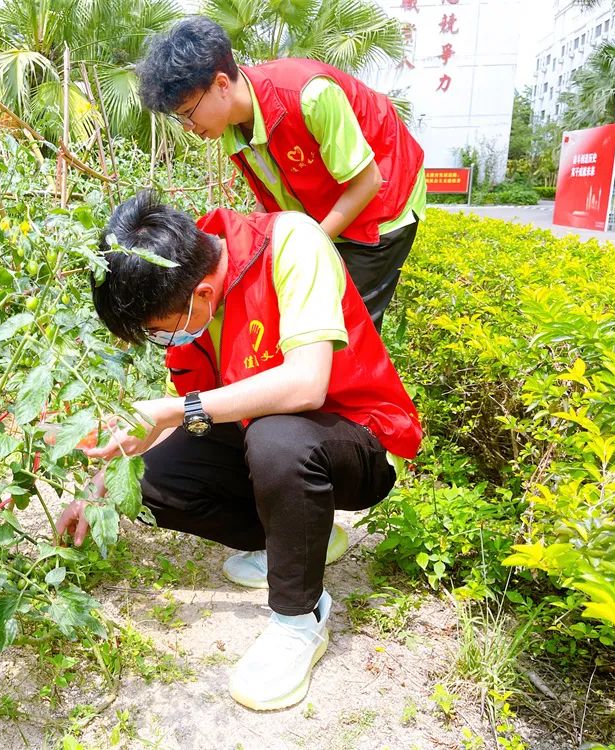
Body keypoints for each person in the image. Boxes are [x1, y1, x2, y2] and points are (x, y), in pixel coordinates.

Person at [56, 191, 422, 711]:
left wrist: (170, 409)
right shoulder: (188, 296)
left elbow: (306, 385)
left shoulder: (291, 244)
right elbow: (192, 413)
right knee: (150, 481)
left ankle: (298, 620)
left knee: (277, 437)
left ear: (201, 295)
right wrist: (98, 489)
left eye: (162, 332)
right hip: (264, 432)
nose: (166, 342)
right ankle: (291, 542)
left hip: (359, 437)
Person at [136, 16, 427, 334]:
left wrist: (306, 245)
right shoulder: (233, 131)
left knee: (346, 327)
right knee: (299, 311)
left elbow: (368, 181)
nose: (189, 128)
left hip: (382, 200)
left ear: (221, 84)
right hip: (327, 206)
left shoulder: (308, 96)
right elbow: (272, 200)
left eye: (187, 114)